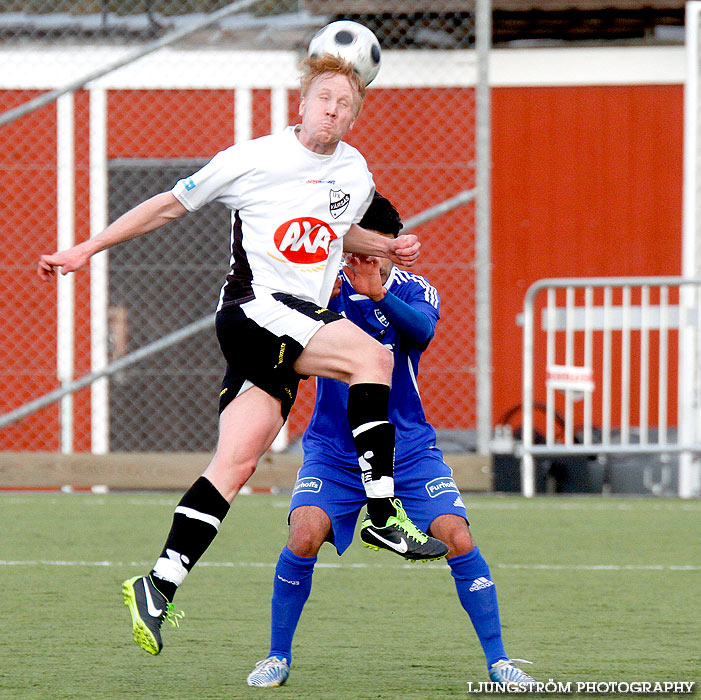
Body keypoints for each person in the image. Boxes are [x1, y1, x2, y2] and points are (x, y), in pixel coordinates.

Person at [38, 54, 447, 657]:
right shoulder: (252, 159)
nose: (334, 110)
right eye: (325, 98)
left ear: (354, 117)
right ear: (301, 103)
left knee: (234, 464)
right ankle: (384, 514)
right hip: (258, 311)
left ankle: (158, 584)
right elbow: (167, 205)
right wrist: (87, 248)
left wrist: (388, 245)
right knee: (373, 358)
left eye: (347, 105)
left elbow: (335, 230)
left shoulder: (354, 173)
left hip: (290, 327)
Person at [246, 192, 537, 689]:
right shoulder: (320, 287)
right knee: (303, 534)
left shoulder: (415, 288)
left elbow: (423, 331)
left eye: (371, 244)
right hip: (334, 451)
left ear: (389, 246)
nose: (359, 254)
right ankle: (276, 657)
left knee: (458, 536)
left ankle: (500, 662)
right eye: (350, 240)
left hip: (407, 450)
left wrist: (379, 294)